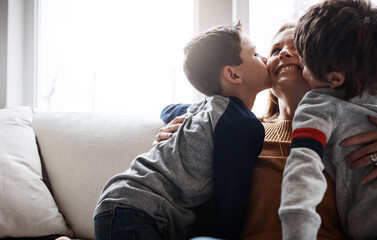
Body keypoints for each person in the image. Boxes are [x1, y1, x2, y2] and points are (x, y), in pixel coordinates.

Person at [158, 23, 348, 240]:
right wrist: (175, 141)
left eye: (299, 48)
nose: (284, 53)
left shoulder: (350, 132)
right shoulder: (234, 132)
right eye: (275, 51)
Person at [94, 21, 271, 240]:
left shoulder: (206, 109)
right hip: (138, 212)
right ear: (233, 75)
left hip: (121, 203)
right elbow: (231, 196)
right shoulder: (242, 124)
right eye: (255, 54)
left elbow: (169, 109)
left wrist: (179, 121)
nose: (264, 59)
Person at [278, 0, 377, 239]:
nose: (291, 58)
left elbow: (302, 170)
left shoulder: (318, 104)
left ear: (334, 78)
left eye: (303, 63)